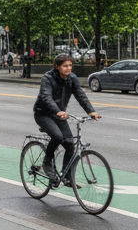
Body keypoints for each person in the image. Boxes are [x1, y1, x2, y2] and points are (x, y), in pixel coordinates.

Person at [33, 53, 100, 185]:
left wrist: (91, 111)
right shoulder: (48, 78)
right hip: (44, 114)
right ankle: (47, 163)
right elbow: (46, 97)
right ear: (57, 66)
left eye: (70, 65)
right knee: (58, 137)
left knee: (70, 143)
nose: (68, 68)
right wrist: (58, 112)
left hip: (59, 114)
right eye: (65, 66)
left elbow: (80, 95)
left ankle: (66, 175)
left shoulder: (72, 78)